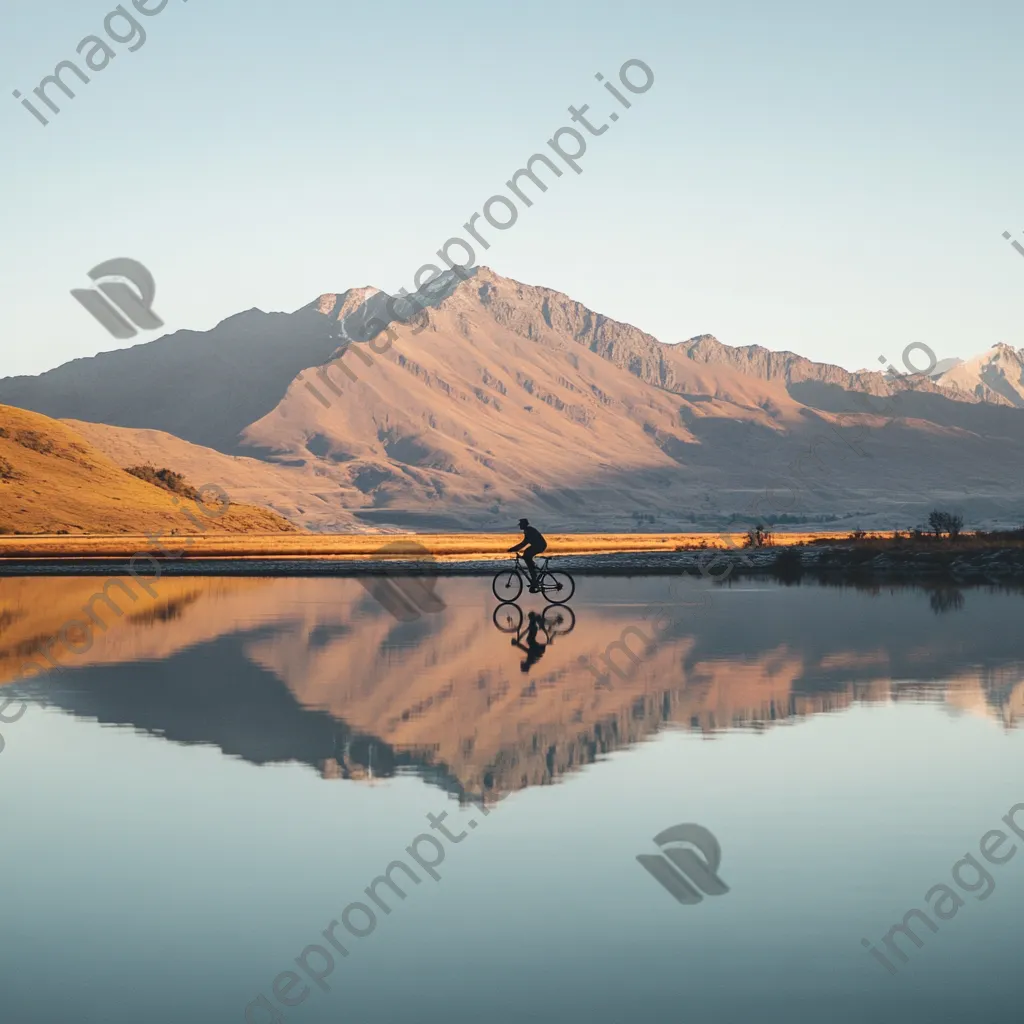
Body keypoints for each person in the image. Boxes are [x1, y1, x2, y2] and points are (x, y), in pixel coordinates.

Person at [508, 518, 547, 592]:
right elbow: (524, 542)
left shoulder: (529, 531)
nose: (519, 526)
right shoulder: (527, 530)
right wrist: (515, 548)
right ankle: (534, 577)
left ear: (524, 525)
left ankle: (534, 581)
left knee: (527, 556)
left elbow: (525, 543)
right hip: (537, 545)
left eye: (520, 525)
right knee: (527, 556)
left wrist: (514, 549)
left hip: (540, 545)